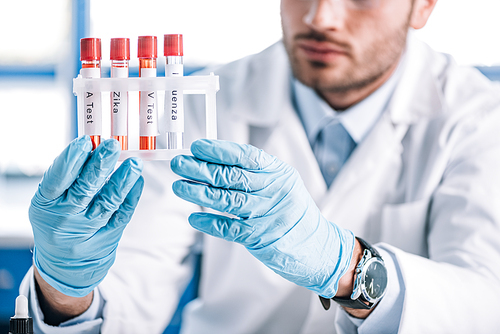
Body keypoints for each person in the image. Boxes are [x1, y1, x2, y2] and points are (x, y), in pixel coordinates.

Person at [20, 0, 500, 332]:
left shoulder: (479, 119)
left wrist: (349, 268)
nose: (320, 17)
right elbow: (128, 295)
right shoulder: (199, 105)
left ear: (424, 6)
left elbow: (485, 306)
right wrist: (65, 289)